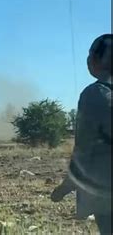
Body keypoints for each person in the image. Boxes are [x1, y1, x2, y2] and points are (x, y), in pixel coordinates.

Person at [51, 34, 112, 234]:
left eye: (91, 54)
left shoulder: (95, 94)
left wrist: (66, 186)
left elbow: (84, 150)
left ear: (98, 59)